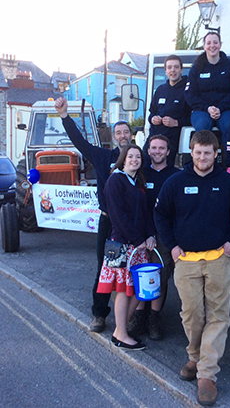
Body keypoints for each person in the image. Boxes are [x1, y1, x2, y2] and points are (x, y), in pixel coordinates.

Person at [154, 130, 230, 406]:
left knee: (218, 316)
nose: (202, 157)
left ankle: (207, 374)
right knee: (192, 314)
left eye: (207, 152)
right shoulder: (175, 182)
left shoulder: (229, 183)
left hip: (219, 259)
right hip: (185, 260)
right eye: (198, 152)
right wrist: (171, 245)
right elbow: (160, 214)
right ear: (191, 152)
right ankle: (195, 357)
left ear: (216, 154)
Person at [55, 97, 132, 333]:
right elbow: (79, 142)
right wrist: (65, 116)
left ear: (132, 136)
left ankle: (134, 316)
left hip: (132, 224)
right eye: (118, 132)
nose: (122, 136)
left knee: (132, 268)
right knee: (105, 268)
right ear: (114, 136)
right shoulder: (103, 157)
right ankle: (99, 313)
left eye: (126, 132)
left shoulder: (139, 159)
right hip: (110, 223)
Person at [97, 144, 156, 350]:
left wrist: (149, 235)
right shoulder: (115, 180)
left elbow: (146, 213)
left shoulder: (138, 182)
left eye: (138, 157)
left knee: (134, 291)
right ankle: (121, 333)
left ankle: (119, 331)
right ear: (123, 159)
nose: (134, 160)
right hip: (123, 245)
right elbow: (117, 216)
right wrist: (137, 239)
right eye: (130, 156)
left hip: (138, 246)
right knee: (123, 291)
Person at [129, 134, 180, 341]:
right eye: (153, 148)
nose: (157, 151)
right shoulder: (140, 174)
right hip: (141, 233)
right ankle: (140, 317)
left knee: (159, 276)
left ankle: (154, 318)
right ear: (147, 151)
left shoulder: (176, 175)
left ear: (168, 152)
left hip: (164, 234)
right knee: (139, 276)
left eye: (162, 148)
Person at [184, 32, 230, 147]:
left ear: (220, 45)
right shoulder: (196, 68)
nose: (212, 45)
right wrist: (207, 108)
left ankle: (229, 163)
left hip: (226, 110)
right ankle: (204, 162)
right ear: (204, 46)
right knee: (202, 126)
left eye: (215, 42)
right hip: (201, 110)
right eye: (209, 43)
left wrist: (220, 108)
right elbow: (190, 94)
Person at [143, 55, 191, 164]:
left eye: (176, 67)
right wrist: (153, 119)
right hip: (153, 138)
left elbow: (193, 118)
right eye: (169, 67)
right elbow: (151, 114)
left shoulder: (188, 91)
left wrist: (176, 122)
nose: (172, 70)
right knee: (143, 165)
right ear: (165, 71)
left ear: (181, 70)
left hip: (173, 141)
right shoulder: (160, 90)